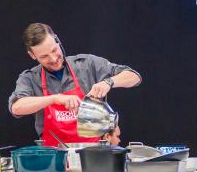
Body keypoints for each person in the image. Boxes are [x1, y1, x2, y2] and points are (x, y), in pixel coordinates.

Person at [9, 23, 141, 146]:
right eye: (44, 56)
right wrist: (54, 98)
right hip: (54, 159)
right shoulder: (30, 78)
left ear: (57, 40)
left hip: (95, 154)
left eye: (54, 50)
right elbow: (17, 107)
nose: (54, 59)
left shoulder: (87, 65)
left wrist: (109, 82)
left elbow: (134, 76)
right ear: (32, 55)